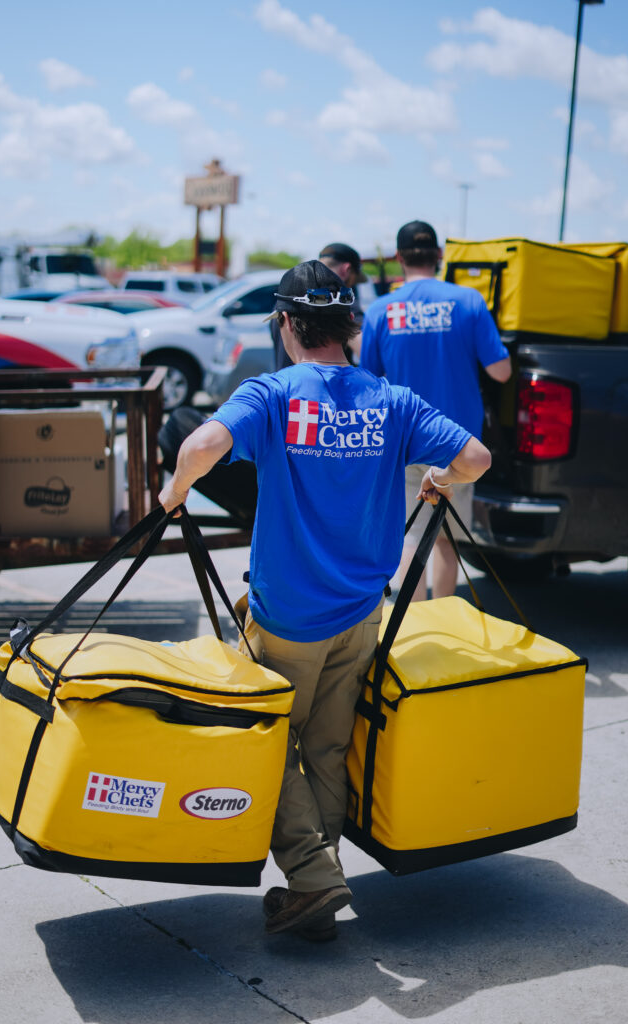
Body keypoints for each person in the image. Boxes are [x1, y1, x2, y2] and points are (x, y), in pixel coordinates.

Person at [159, 259, 491, 941]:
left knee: (266, 743)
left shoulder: (274, 393)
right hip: (359, 612)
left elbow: (199, 444)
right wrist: (437, 475)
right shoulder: (391, 401)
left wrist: (171, 495)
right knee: (327, 747)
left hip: (287, 618)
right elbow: (475, 459)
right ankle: (321, 876)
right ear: (347, 326)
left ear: (286, 324)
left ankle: (311, 878)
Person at [360, 220, 512, 601]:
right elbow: (501, 371)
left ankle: (409, 627)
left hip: (403, 438)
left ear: (399, 258)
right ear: (439, 257)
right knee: (446, 538)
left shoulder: (380, 311)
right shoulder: (469, 302)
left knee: (410, 534)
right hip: (458, 442)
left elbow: (367, 384)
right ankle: (445, 623)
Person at [271, 242, 366, 370]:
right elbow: (365, 351)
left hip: (287, 383)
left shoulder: (283, 302)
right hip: (333, 385)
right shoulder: (341, 302)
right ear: (347, 269)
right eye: (354, 280)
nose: (351, 286)